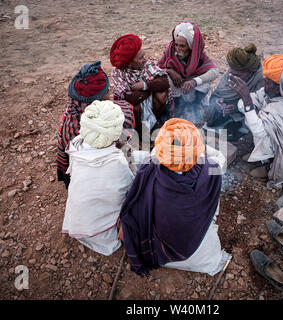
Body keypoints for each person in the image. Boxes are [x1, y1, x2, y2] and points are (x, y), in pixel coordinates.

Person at [118, 118, 231, 276]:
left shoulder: (148, 168)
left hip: (156, 249)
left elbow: (156, 156)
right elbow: (220, 157)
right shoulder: (212, 170)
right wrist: (194, 146)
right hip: (194, 247)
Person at [62, 100, 135, 256]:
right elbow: (131, 191)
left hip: (77, 223)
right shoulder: (117, 163)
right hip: (102, 235)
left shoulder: (76, 145)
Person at [229, 54, 283, 189]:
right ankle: (264, 158)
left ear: (280, 86)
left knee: (261, 133)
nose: (264, 84)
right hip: (276, 142)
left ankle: (274, 167)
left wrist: (247, 101)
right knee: (251, 118)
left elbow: (259, 132)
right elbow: (256, 97)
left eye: (267, 82)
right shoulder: (275, 92)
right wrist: (246, 100)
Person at [57, 60, 113, 188]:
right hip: (89, 177)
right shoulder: (83, 131)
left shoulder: (72, 113)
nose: (109, 96)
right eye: (106, 92)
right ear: (94, 102)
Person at [158, 22, 219, 127]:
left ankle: (192, 109)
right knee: (165, 80)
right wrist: (170, 71)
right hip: (176, 90)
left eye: (182, 46)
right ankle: (173, 111)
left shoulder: (198, 54)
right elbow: (156, 68)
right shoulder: (170, 50)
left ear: (190, 46)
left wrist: (194, 81)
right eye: (176, 45)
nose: (178, 49)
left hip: (191, 91)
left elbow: (214, 71)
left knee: (205, 83)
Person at [110, 34, 171, 135]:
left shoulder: (146, 65)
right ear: (129, 63)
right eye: (140, 58)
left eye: (143, 56)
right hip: (134, 108)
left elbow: (165, 82)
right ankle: (140, 132)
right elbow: (128, 99)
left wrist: (144, 86)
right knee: (134, 107)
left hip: (145, 99)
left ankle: (155, 122)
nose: (145, 60)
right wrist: (151, 89)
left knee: (162, 94)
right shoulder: (118, 73)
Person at [206, 44, 264, 141]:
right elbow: (218, 93)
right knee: (209, 114)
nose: (232, 77)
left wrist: (238, 107)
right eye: (231, 73)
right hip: (233, 114)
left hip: (251, 115)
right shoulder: (231, 73)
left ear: (249, 73)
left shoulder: (262, 79)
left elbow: (263, 110)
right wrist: (219, 101)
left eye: (237, 75)